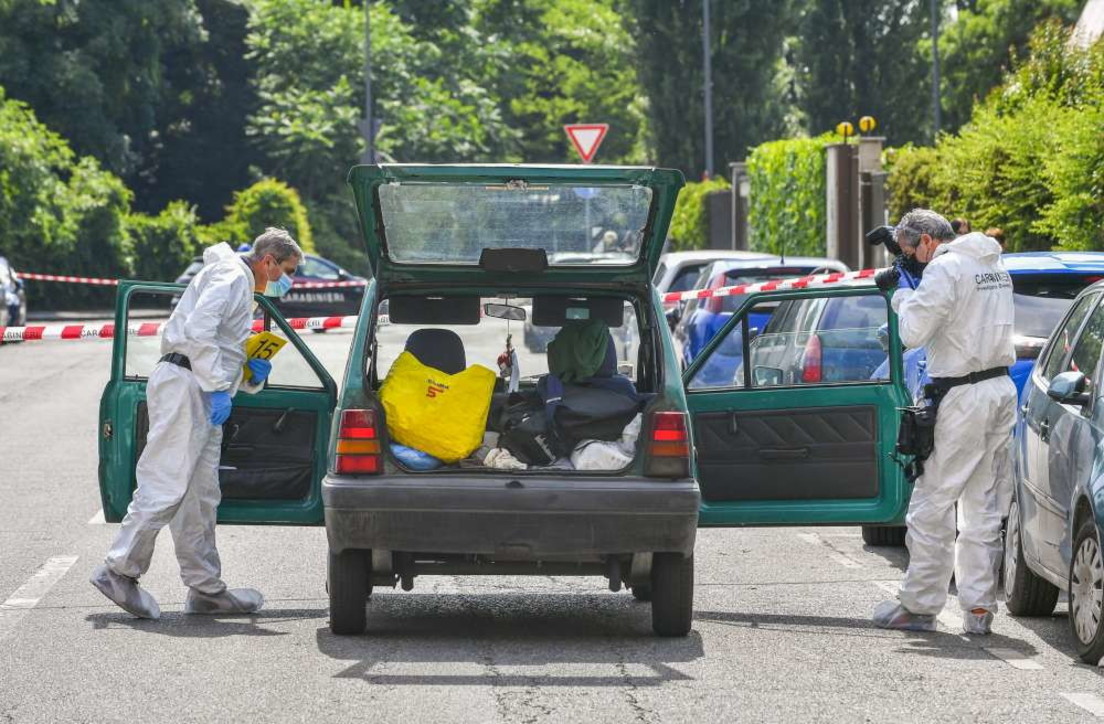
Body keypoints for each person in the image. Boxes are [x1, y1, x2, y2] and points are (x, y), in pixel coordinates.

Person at [91, 228, 303, 619]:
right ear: (268, 260)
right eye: (284, 271)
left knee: (200, 496)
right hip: (187, 385)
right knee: (166, 480)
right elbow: (197, 332)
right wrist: (218, 386)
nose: (284, 282)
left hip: (198, 388)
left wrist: (247, 376)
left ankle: (205, 588)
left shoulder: (238, 283)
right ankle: (118, 571)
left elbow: (216, 346)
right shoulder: (230, 277)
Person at [871, 209, 1016, 635]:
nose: (911, 259)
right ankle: (978, 609)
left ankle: (919, 606)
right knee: (983, 507)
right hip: (1000, 390)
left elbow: (913, 332)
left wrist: (899, 293)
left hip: (961, 394)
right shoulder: (992, 265)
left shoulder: (944, 270)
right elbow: (957, 314)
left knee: (932, 504)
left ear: (929, 241)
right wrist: (916, 284)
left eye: (911, 249)